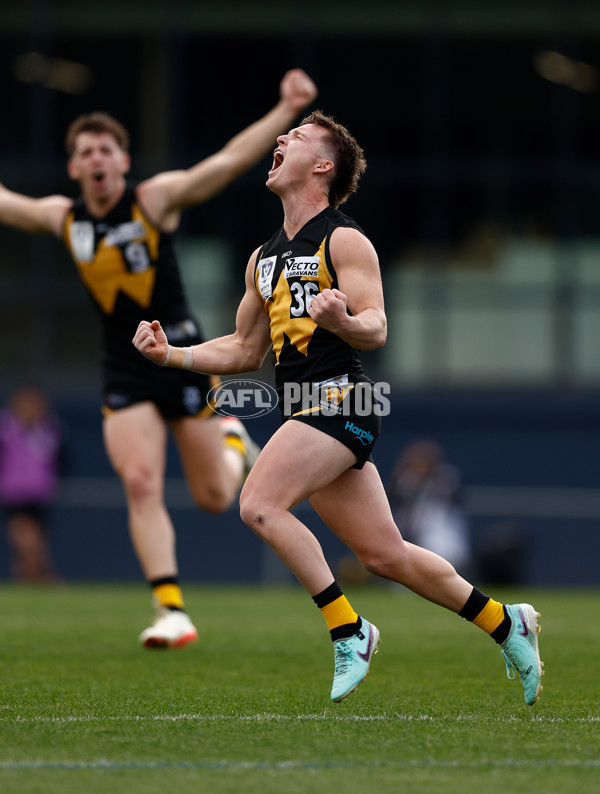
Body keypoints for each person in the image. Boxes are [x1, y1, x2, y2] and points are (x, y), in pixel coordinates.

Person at [133, 111, 544, 705]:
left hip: (341, 398)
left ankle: (349, 628)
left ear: (323, 166)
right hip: (303, 409)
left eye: (295, 137)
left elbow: (376, 326)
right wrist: (170, 354)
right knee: (385, 554)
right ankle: (508, 624)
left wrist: (344, 321)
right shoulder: (263, 258)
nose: (279, 140)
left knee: (258, 503)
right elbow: (245, 350)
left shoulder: (344, 239)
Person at [0, 68, 318, 648]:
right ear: (74, 168)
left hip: (183, 356)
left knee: (214, 498)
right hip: (123, 368)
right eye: (84, 152)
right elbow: (6, 204)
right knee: (141, 481)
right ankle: (171, 609)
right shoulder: (63, 218)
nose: (96, 158)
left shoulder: (154, 201)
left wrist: (284, 109)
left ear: (123, 161)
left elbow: (222, 164)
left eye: (106, 148)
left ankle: (230, 443)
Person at [0, 385, 65, 582]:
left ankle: (28, 577)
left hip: (39, 494)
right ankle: (41, 575)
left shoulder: (50, 430)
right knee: (28, 539)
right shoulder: (6, 429)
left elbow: (60, 460)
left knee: (36, 540)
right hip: (13, 494)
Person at [387, 439, 473, 576]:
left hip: (442, 527)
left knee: (444, 553)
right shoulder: (407, 479)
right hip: (411, 527)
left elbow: (453, 498)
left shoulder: (443, 475)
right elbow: (397, 498)